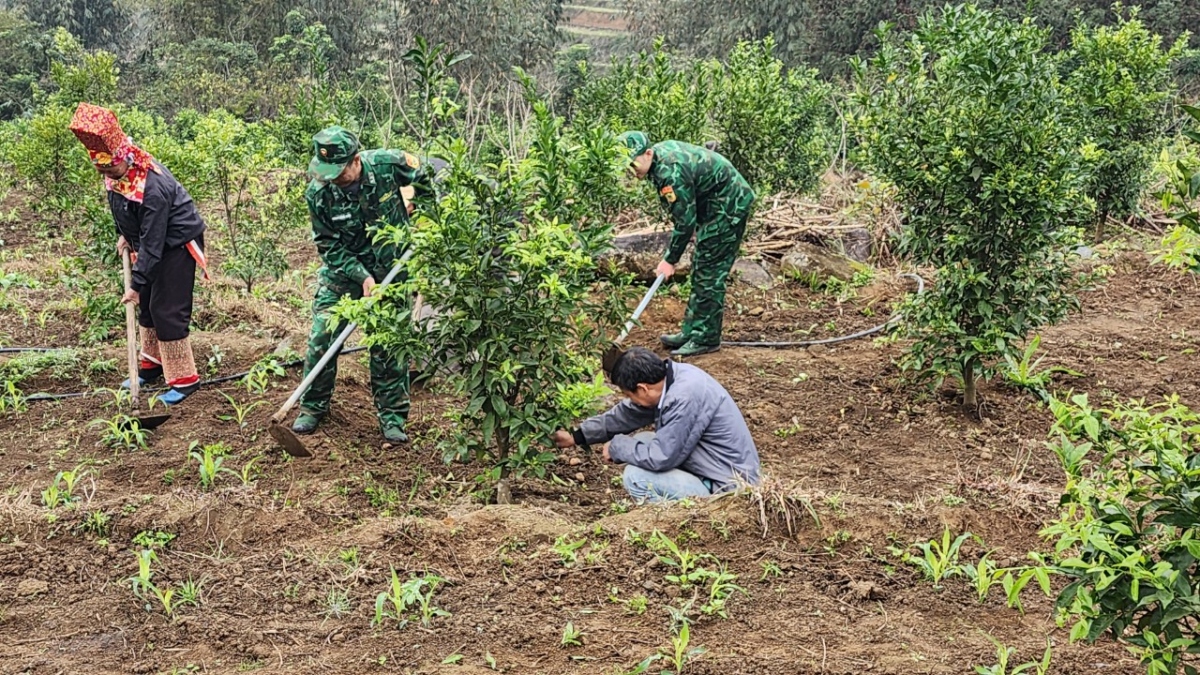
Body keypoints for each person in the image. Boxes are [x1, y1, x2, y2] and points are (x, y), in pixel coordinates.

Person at [292, 126, 432, 443]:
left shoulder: (388, 163)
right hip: (345, 272)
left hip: (392, 266)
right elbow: (329, 246)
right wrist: (363, 277)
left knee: (389, 343)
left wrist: (422, 214)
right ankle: (312, 408)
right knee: (322, 335)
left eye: (339, 172)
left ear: (356, 160)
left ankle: (392, 418)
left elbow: (425, 177)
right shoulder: (319, 193)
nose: (332, 178)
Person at [69, 103, 209, 405]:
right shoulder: (117, 176)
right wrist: (126, 236)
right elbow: (124, 210)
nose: (107, 174)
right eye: (102, 169)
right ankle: (151, 364)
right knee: (147, 306)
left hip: (176, 243)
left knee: (166, 309)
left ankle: (186, 380)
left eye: (111, 168)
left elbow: (155, 241)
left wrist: (134, 286)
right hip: (150, 243)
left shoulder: (152, 187)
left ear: (125, 159)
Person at [552, 347, 760, 502]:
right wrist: (577, 436)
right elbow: (628, 414)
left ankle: (681, 522)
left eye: (628, 394)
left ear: (642, 388)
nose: (629, 400)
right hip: (713, 467)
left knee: (636, 477)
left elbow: (661, 457)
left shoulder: (684, 397)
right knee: (643, 440)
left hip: (729, 488)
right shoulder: (672, 379)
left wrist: (617, 447)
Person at [618, 131, 756, 357]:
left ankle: (706, 338)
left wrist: (670, 260)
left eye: (633, 164)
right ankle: (692, 331)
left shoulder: (669, 171)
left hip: (728, 206)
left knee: (709, 273)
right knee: (701, 267)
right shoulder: (658, 160)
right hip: (714, 205)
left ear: (648, 153)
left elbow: (685, 221)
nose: (631, 171)